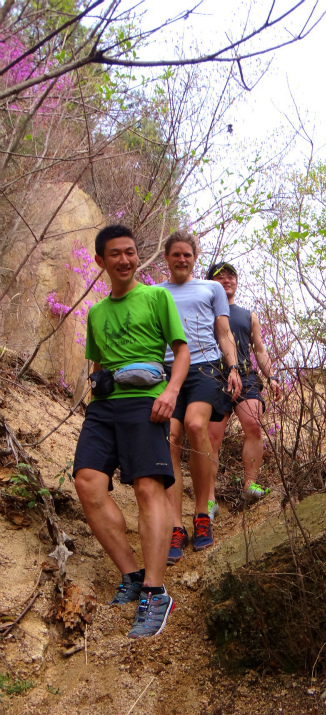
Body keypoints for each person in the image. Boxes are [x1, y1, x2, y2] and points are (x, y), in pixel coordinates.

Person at [73, 224, 190, 639]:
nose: (125, 260)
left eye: (131, 252)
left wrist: (172, 392)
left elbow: (181, 349)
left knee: (146, 488)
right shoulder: (97, 314)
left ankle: (156, 593)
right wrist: (97, 384)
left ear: (138, 256)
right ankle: (133, 574)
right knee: (87, 482)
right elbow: (98, 366)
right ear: (101, 262)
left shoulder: (156, 296)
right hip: (105, 408)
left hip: (148, 401)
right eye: (115, 254)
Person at [160, 232, 242, 564]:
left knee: (196, 425)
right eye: (176, 254)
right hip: (166, 372)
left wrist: (233, 367)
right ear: (166, 258)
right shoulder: (155, 293)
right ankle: (176, 525)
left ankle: (202, 514)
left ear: (195, 257)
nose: (182, 259)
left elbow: (223, 332)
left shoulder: (211, 289)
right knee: (171, 439)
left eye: (187, 255)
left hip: (205, 367)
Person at [206, 262, 282, 517]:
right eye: (220, 277)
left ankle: (250, 485)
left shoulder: (248, 315)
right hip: (213, 377)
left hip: (246, 376)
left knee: (254, 425)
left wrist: (271, 376)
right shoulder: (204, 310)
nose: (227, 280)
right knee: (211, 438)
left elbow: (259, 349)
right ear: (209, 282)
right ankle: (208, 498)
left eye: (231, 276)